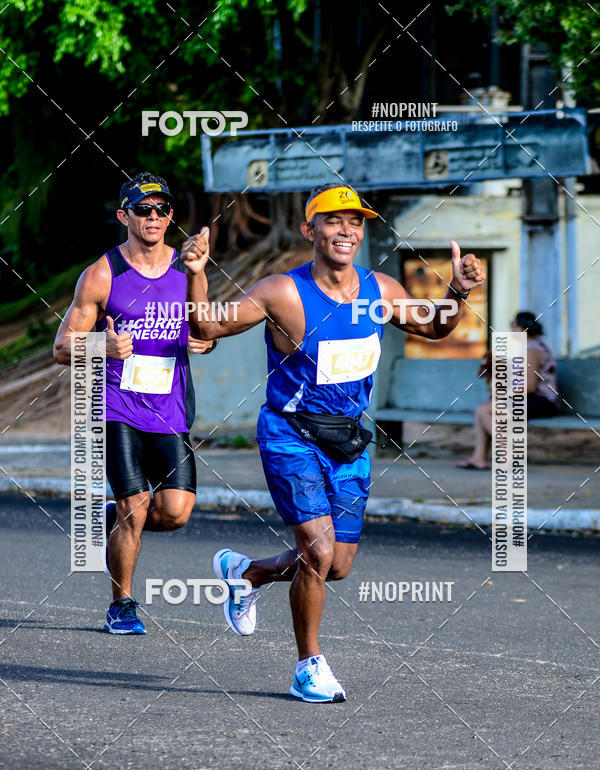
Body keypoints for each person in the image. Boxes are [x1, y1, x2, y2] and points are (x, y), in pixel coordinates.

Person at [182, 182, 485, 702]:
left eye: (355, 222)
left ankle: (247, 572)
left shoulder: (381, 289)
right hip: (290, 435)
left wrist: (456, 293)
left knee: (336, 565)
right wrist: (196, 274)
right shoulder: (282, 291)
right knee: (317, 550)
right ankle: (309, 668)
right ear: (310, 230)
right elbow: (208, 324)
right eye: (334, 220)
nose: (347, 230)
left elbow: (435, 329)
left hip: (347, 440)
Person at [53, 172, 216, 634]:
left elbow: (204, 328)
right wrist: (101, 346)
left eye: (161, 209)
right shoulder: (103, 273)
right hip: (114, 407)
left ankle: (106, 520)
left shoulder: (186, 268)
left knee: (176, 511)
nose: (153, 217)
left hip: (170, 410)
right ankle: (121, 605)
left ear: (171, 217)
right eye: (143, 210)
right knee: (136, 506)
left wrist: (204, 340)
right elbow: (61, 347)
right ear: (124, 216)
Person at [457, 311, 558, 470]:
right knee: (482, 410)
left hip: (541, 401)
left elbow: (529, 386)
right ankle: (478, 458)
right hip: (530, 399)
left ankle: (510, 454)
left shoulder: (532, 351)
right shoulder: (530, 347)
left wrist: (503, 394)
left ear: (522, 328)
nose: (512, 331)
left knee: (485, 411)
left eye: (514, 326)